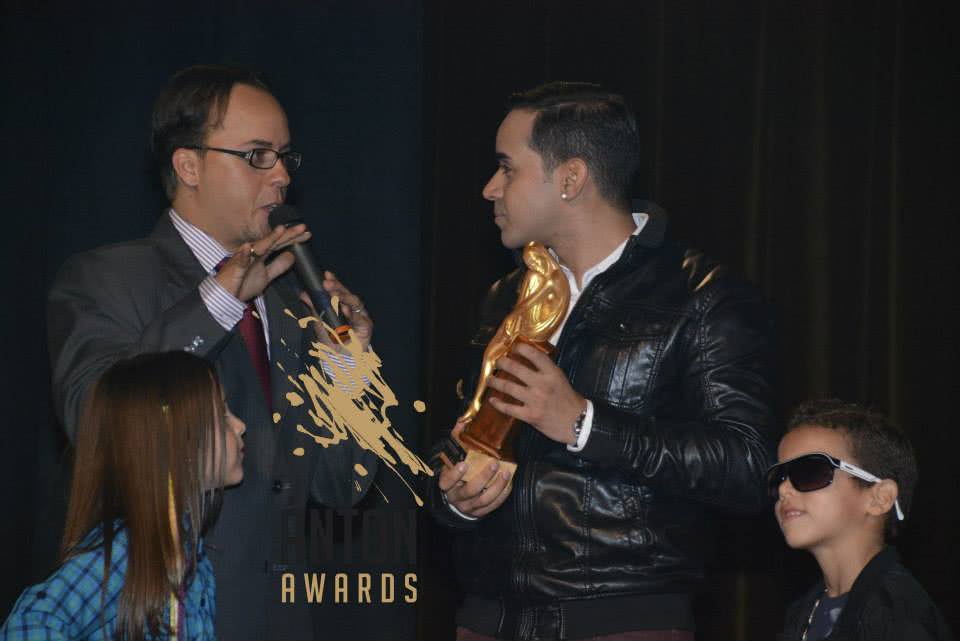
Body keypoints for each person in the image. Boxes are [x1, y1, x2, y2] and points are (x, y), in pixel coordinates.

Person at [429, 82, 777, 640]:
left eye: (507, 168)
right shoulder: (505, 298)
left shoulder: (699, 295)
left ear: (570, 178)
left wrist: (584, 425)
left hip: (619, 622)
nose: (489, 188)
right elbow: (456, 439)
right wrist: (455, 497)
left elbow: (748, 466)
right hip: (486, 616)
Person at [47, 65, 376, 641]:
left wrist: (349, 376)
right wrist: (220, 301)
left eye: (285, 158)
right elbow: (95, 417)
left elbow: (341, 486)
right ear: (188, 166)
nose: (281, 177)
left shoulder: (292, 303)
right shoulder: (105, 278)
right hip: (166, 618)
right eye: (256, 156)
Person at [2, 352, 243, 641]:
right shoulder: (126, 552)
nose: (239, 426)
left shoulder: (191, 556)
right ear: (176, 441)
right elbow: (30, 623)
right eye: (223, 415)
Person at [770, 400, 954, 641]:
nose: (784, 489)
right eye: (779, 477)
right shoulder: (804, 612)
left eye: (810, 471)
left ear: (879, 498)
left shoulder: (897, 616)